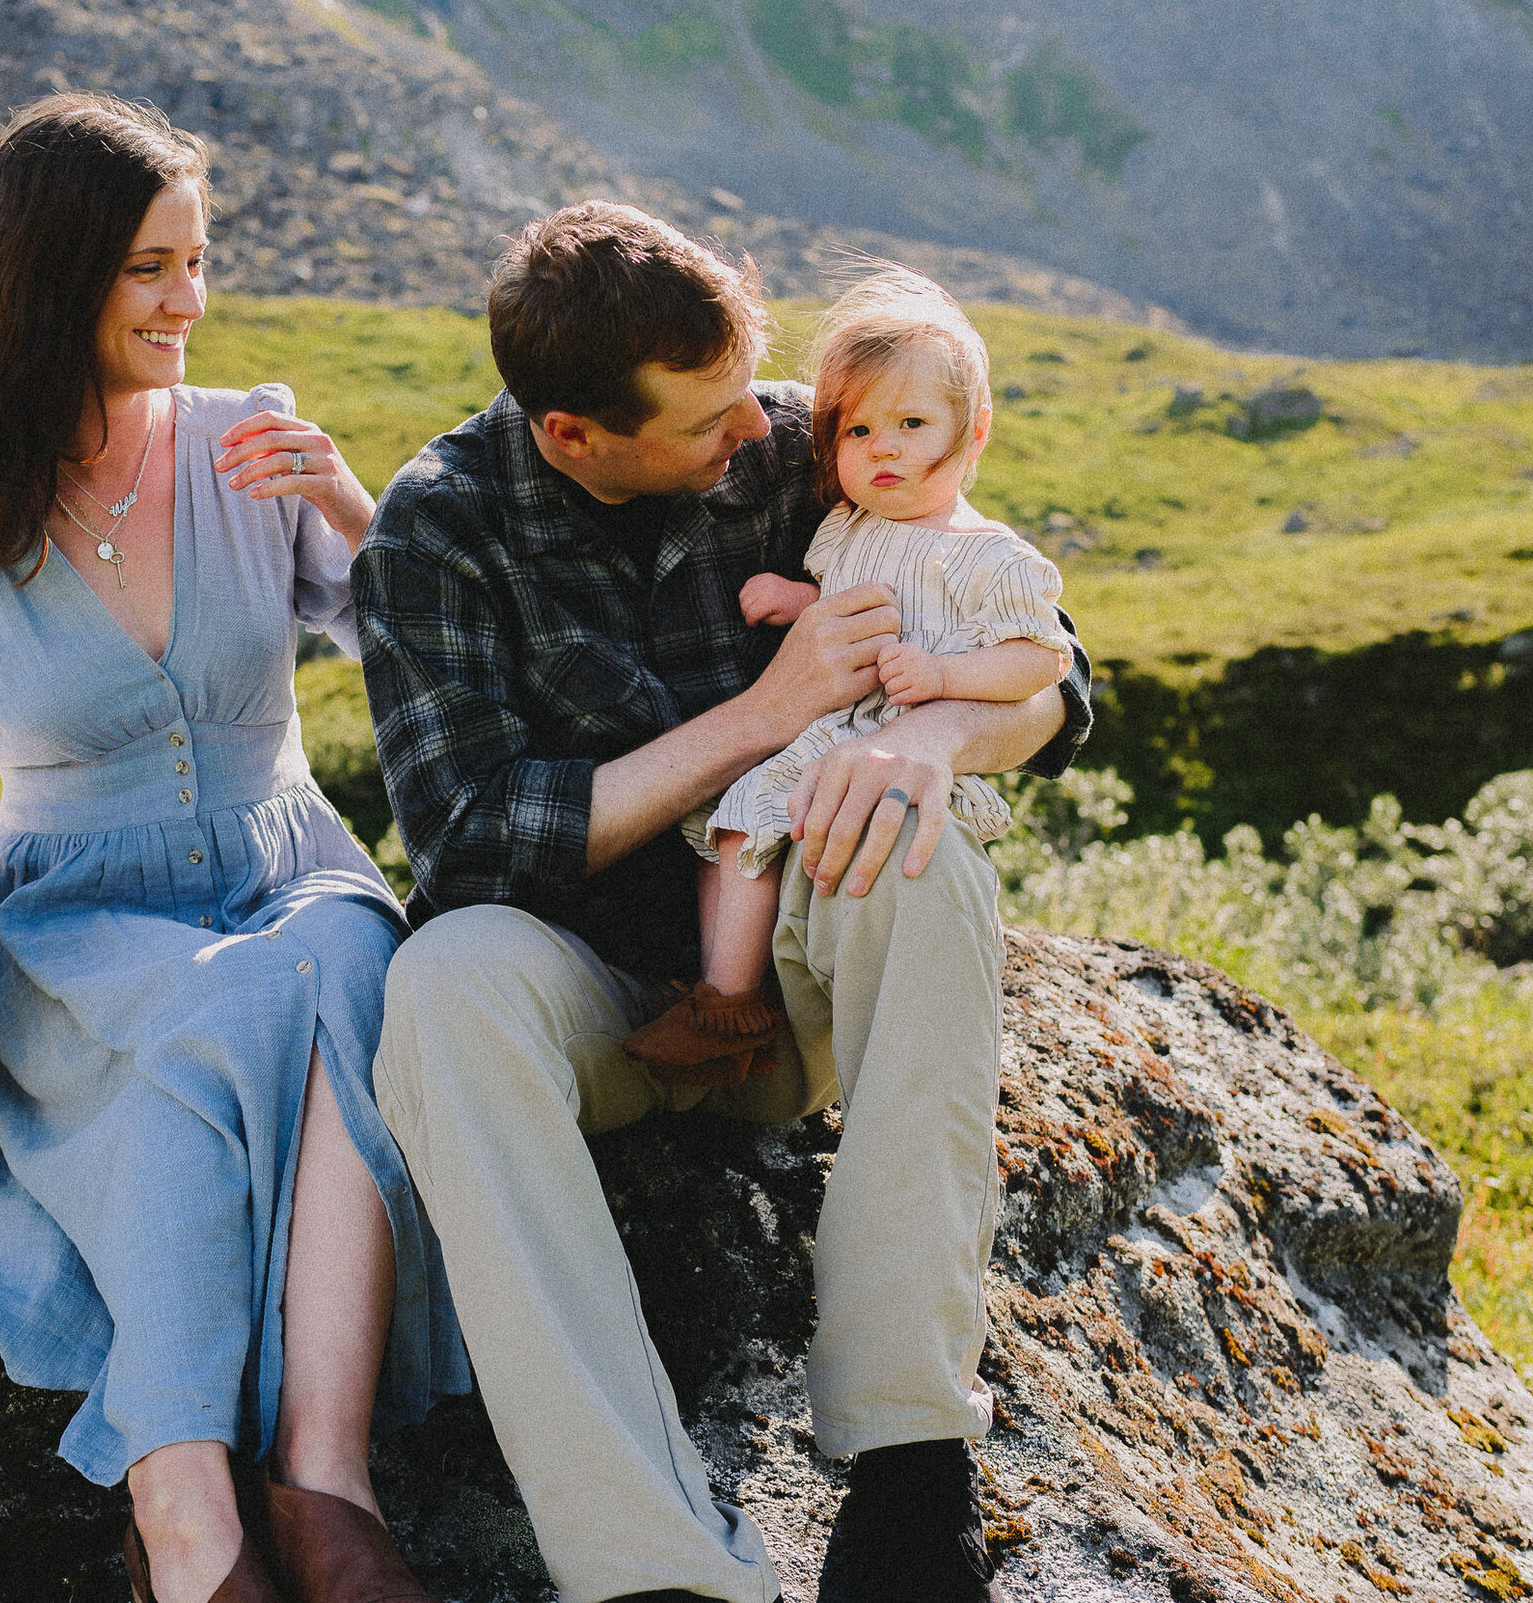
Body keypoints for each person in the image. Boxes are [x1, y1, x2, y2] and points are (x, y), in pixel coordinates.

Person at [354, 201, 1092, 1603]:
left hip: (800, 986)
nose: (757, 438)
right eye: (706, 424)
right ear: (575, 434)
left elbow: (1056, 673)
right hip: (605, 1004)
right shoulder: (439, 527)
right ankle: (655, 1567)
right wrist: (767, 713)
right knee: (441, 984)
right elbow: (466, 842)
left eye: (752, 394)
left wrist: (927, 739)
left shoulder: (799, 446)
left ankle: (908, 1469)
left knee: (911, 841)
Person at [0, 93, 465, 1603]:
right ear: (51, 282)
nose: (190, 300)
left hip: (285, 850)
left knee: (333, 965)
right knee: (232, 1012)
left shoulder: (257, 437)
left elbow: (417, 657)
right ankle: (187, 1507)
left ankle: (325, 1480)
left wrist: (353, 509)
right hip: (72, 905)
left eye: (197, 260)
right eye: (148, 270)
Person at [625, 264, 1077, 1076]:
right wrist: (799, 599)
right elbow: (848, 607)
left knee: (834, 852)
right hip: (825, 735)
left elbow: (1039, 659)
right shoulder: (848, 526)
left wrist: (943, 680)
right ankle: (727, 999)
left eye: (911, 422)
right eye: (859, 432)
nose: (885, 449)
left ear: (973, 432)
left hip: (895, 749)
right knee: (734, 825)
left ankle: (745, 1012)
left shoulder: (991, 557)